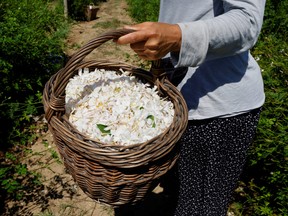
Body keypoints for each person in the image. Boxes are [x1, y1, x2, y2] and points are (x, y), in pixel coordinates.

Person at [116, 0, 266, 215]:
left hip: (217, 109)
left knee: (201, 208)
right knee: (178, 193)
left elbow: (248, 22)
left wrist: (177, 36)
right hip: (176, 99)